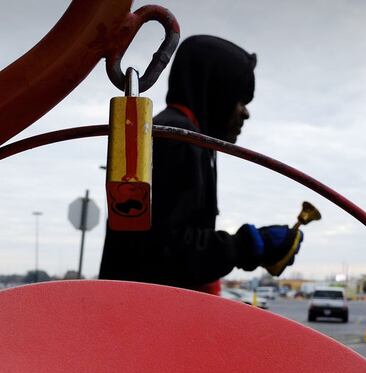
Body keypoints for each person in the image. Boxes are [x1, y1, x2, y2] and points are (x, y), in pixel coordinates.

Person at [99, 35, 305, 292]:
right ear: (215, 91)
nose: (245, 112)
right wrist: (249, 245)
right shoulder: (176, 138)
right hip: (146, 315)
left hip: (143, 309)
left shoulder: (184, 137)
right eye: (240, 100)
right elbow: (167, 252)